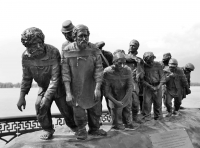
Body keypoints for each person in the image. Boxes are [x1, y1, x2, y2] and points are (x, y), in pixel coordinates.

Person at [17, 27, 78, 140]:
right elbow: (26, 77)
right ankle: (47, 128)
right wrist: (22, 96)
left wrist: (47, 97)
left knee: (66, 110)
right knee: (39, 106)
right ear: (28, 46)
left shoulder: (53, 51)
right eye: (35, 45)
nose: (39, 47)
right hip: (43, 87)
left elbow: (55, 78)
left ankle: (75, 127)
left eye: (40, 43)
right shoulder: (25, 57)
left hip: (58, 86)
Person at [61, 24, 107, 140]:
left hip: (92, 86)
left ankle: (94, 129)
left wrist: (97, 88)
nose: (84, 39)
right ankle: (81, 130)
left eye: (86, 36)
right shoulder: (67, 50)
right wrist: (68, 93)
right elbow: (65, 73)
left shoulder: (94, 49)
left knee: (96, 110)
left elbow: (99, 69)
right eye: (80, 36)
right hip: (75, 87)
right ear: (75, 36)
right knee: (78, 112)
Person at [103, 50, 135, 130]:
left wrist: (124, 100)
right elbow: (106, 92)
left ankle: (128, 125)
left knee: (128, 119)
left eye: (124, 63)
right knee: (118, 124)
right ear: (114, 62)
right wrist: (116, 102)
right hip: (114, 97)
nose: (122, 65)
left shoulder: (127, 70)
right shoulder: (107, 72)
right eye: (120, 63)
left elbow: (130, 87)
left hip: (126, 96)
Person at [142, 52, 165, 121]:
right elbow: (141, 80)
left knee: (158, 102)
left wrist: (159, 86)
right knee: (147, 103)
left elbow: (162, 77)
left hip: (158, 86)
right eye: (148, 62)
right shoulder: (143, 66)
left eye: (152, 60)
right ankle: (147, 117)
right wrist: (149, 86)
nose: (151, 63)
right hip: (147, 87)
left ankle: (158, 117)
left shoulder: (158, 65)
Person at [125, 39, 144, 123]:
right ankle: (127, 121)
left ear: (137, 48)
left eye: (134, 46)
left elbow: (141, 75)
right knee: (126, 104)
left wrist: (139, 64)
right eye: (130, 45)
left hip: (134, 83)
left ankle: (135, 118)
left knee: (136, 103)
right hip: (123, 82)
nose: (131, 47)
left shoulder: (139, 60)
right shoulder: (123, 56)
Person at [95, 41, 113, 114]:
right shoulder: (93, 55)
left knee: (110, 102)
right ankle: (97, 121)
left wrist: (101, 54)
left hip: (107, 81)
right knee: (97, 102)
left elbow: (111, 67)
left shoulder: (108, 54)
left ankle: (114, 120)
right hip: (97, 82)